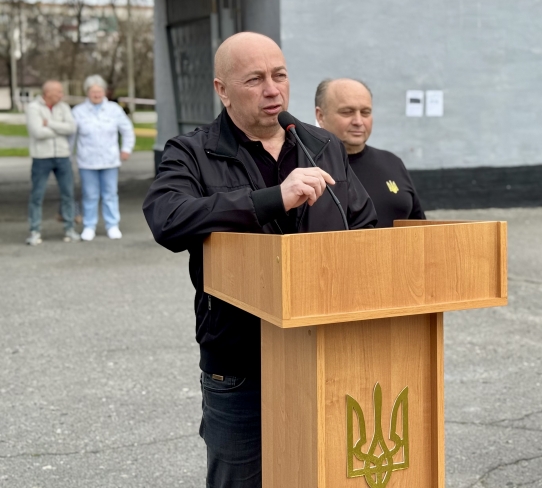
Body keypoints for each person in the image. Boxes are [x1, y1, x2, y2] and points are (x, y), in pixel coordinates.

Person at [142, 32, 377, 487]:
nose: (273, 90)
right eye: (255, 80)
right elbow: (167, 219)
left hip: (325, 348)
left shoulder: (320, 145)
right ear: (222, 90)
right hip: (240, 361)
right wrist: (273, 199)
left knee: (320, 475)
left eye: (279, 75)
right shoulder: (192, 152)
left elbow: (363, 226)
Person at [315, 78, 425, 228]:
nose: (358, 121)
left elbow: (422, 228)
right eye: (347, 112)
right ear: (320, 116)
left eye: (365, 113)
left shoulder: (392, 163)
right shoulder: (306, 165)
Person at [72, 75, 135, 241]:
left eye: (99, 91)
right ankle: (89, 226)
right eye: (93, 91)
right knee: (90, 194)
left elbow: (127, 130)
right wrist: (68, 154)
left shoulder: (114, 109)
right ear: (87, 92)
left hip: (110, 160)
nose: (96, 94)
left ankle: (112, 225)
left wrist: (126, 149)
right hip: (87, 161)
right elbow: (71, 136)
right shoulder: (78, 111)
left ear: (104, 92)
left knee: (110, 194)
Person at [25, 80, 80, 245]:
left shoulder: (63, 107)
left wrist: (49, 123)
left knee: (68, 193)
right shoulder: (33, 108)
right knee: (37, 195)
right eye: (59, 92)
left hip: (63, 156)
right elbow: (37, 132)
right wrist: (60, 129)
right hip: (41, 157)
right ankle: (35, 231)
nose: (61, 95)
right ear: (48, 93)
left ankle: (69, 229)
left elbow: (71, 128)